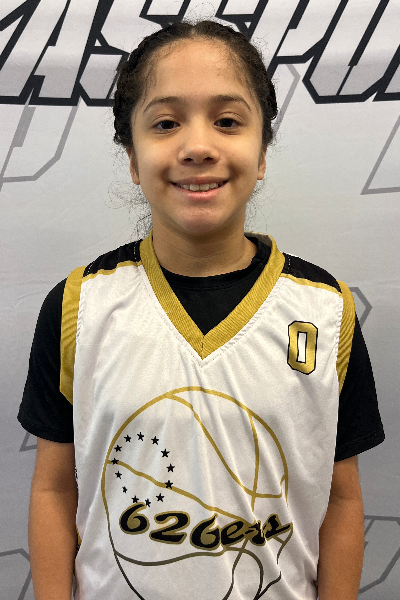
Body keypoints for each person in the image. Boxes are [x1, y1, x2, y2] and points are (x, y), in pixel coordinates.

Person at [18, 19, 385, 600]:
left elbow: (341, 498)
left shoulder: (325, 310)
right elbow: (55, 489)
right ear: (133, 158)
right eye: (166, 123)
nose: (197, 146)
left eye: (228, 121)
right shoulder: (78, 306)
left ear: (261, 152)